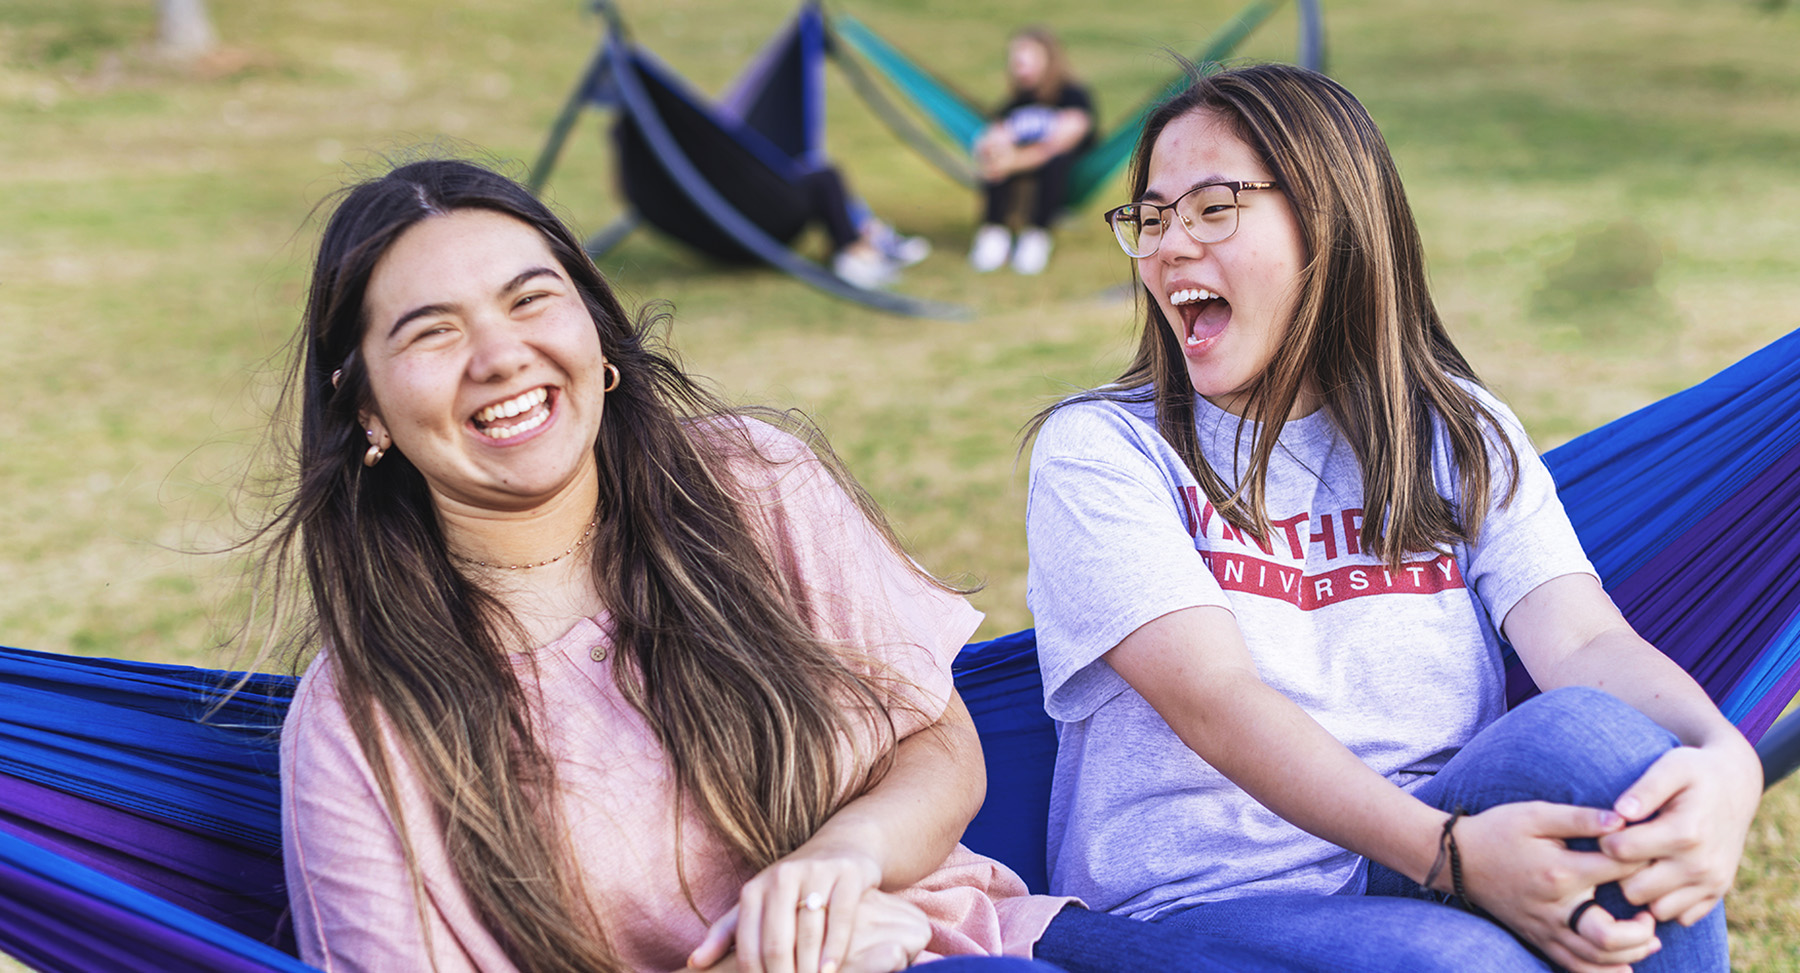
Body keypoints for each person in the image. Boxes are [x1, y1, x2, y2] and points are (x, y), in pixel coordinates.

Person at [268, 158, 1285, 973]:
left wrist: (844, 866)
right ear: (366, 412)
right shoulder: (363, 727)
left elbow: (940, 743)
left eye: (533, 300)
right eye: (432, 333)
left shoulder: (752, 484)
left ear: (596, 332)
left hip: (994, 937)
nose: (500, 355)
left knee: (1425, 953)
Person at [1023, 65, 1761, 973]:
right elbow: (1217, 701)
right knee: (1467, 964)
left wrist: (1728, 761)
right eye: (1152, 216)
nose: (1169, 246)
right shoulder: (1103, 450)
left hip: (1430, 848)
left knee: (1602, 746)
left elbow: (1583, 643)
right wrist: (1453, 855)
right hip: (1204, 898)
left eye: (1213, 208)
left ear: (1329, 223)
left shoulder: (1457, 430)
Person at [967, 28, 1093, 276]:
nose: (1019, 66)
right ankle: (994, 232)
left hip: (1065, 170)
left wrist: (1012, 162)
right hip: (1017, 167)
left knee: (1055, 162)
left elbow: (1063, 141)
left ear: (1048, 60)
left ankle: (1036, 236)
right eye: (1016, 60)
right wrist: (996, 152)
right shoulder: (1014, 104)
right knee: (996, 157)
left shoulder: (1072, 96)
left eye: (1028, 58)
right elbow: (992, 137)